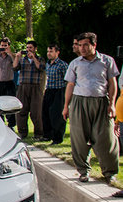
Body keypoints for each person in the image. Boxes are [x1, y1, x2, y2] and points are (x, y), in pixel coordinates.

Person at [62, 32, 120, 183]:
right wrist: (66, 106)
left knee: (105, 138)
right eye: (80, 45)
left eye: (85, 45)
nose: (82, 48)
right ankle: (83, 171)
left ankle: (110, 173)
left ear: (94, 45)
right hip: (79, 102)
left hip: (101, 102)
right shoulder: (75, 63)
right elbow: (70, 85)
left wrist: (112, 104)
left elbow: (112, 83)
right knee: (79, 138)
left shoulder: (107, 61)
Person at [13, 41, 46, 139]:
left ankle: (38, 133)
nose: (28, 49)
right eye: (27, 47)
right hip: (23, 86)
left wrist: (34, 58)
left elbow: (40, 67)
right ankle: (22, 133)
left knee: (36, 111)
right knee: (22, 110)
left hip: (36, 87)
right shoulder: (23, 60)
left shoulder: (40, 59)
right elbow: (14, 67)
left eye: (30, 47)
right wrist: (17, 58)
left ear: (35, 49)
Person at [42, 44, 68, 145]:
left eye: (51, 51)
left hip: (59, 91)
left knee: (57, 115)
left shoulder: (62, 65)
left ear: (57, 52)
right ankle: (48, 135)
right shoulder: (48, 64)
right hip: (49, 90)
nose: (49, 53)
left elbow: (67, 80)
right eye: (48, 51)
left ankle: (57, 138)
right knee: (46, 113)